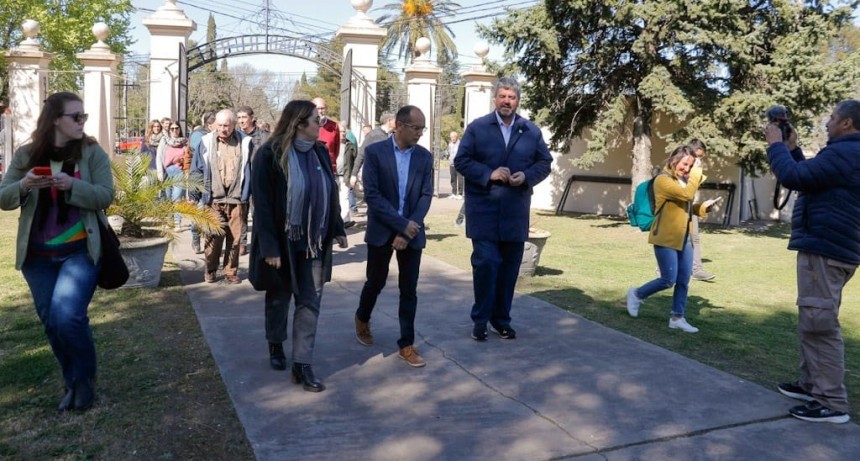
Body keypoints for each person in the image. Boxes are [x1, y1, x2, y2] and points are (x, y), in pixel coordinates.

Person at [0, 92, 114, 411]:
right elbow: (3, 197)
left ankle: (85, 382)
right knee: (51, 321)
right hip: (37, 258)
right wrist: (23, 185)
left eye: (83, 116)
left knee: (69, 317)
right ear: (55, 120)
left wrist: (72, 186)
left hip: (79, 251)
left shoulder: (91, 153)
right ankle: (72, 380)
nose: (81, 122)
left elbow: (106, 195)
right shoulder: (27, 154)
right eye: (75, 116)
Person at [766, 100, 860, 424]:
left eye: (832, 118)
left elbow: (792, 177)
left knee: (819, 323)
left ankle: (831, 402)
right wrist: (792, 149)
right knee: (812, 317)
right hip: (829, 246)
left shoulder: (847, 153)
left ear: (847, 123)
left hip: (826, 248)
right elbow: (808, 176)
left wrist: (775, 145)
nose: (827, 122)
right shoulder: (846, 153)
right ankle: (811, 385)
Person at [249, 99, 347, 392]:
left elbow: (329, 193)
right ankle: (276, 344)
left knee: (310, 301)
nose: (321, 123)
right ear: (299, 124)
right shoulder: (269, 154)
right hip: (282, 242)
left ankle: (302, 365)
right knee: (279, 297)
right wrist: (269, 247)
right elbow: (263, 204)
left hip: (315, 241)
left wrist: (338, 228)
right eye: (316, 120)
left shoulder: (318, 151)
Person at [454, 77, 553, 341]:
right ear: (495, 99)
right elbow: (461, 161)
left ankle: (501, 320)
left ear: (518, 100)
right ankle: (480, 319)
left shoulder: (530, 131)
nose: (507, 101)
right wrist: (489, 173)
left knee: (509, 268)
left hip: (515, 211)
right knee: (487, 263)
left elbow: (545, 162)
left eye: (511, 97)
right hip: (484, 209)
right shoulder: (478, 128)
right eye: (502, 96)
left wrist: (527, 176)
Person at [354, 105, 434, 367]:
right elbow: (373, 195)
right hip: (382, 231)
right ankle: (362, 318)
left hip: (411, 232)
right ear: (399, 125)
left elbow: (425, 195)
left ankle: (407, 344)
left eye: (423, 128)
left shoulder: (424, 157)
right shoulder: (375, 152)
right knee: (375, 282)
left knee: (408, 290)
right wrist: (400, 225)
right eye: (416, 128)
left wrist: (409, 228)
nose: (420, 133)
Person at [626, 146, 719, 333]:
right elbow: (686, 195)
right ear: (673, 160)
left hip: (684, 237)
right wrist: (697, 172)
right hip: (665, 237)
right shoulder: (662, 180)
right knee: (668, 279)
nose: (687, 169)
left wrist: (703, 208)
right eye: (685, 164)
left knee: (684, 280)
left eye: (690, 166)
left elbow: (686, 207)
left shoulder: (683, 182)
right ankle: (636, 294)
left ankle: (677, 317)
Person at [192, 109, 252, 284]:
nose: (223, 129)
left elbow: (251, 170)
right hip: (213, 199)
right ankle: (210, 269)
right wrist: (194, 195)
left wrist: (251, 194)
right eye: (220, 125)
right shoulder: (205, 142)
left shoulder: (245, 143)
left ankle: (230, 271)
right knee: (213, 237)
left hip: (236, 199)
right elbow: (196, 170)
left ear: (234, 125)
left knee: (234, 239)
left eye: (226, 125)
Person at [236, 106, 271, 256]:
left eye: (244, 117)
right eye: (239, 118)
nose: (241, 121)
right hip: (242, 179)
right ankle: (242, 242)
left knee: (259, 213)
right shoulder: (236, 136)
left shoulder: (265, 137)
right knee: (240, 212)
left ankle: (259, 241)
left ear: (252, 118)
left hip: (260, 179)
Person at [188, 111, 216, 254]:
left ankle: (209, 244)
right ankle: (195, 237)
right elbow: (197, 164)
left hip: (213, 184)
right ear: (210, 125)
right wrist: (193, 193)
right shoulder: (199, 136)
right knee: (197, 215)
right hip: (199, 181)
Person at [688, 139, 716, 281]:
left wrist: (703, 207)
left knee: (695, 238)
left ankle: (697, 270)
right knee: (674, 239)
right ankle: (662, 268)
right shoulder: (683, 167)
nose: (699, 160)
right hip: (677, 210)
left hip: (689, 207)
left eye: (701, 157)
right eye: (697, 156)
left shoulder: (694, 169)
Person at [350, 112, 395, 190]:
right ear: (389, 121)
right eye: (396, 120)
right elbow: (361, 154)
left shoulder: (393, 136)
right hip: (376, 178)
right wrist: (354, 175)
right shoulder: (374, 135)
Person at [156, 122, 188, 227]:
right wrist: (160, 172)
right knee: (168, 197)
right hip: (167, 171)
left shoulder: (184, 142)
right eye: (172, 128)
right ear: (169, 130)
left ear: (180, 129)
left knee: (177, 197)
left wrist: (183, 161)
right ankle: (169, 220)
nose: (174, 130)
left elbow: (189, 157)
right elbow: (159, 157)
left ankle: (177, 222)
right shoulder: (164, 141)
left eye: (176, 128)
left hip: (179, 171)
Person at [337, 122, 357, 228]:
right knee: (333, 199)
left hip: (346, 176)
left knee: (345, 198)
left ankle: (345, 221)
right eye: (340, 131)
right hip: (333, 175)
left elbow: (356, 159)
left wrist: (354, 175)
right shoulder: (332, 144)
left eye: (344, 131)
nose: (343, 134)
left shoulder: (350, 145)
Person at [312, 97, 340, 173]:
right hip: (313, 166)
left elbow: (336, 150)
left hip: (329, 166)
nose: (320, 111)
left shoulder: (334, 126)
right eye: (318, 109)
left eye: (322, 108)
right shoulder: (308, 126)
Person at [447, 131, 463, 199]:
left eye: (454, 137)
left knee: (460, 179)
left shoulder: (460, 144)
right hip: (452, 164)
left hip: (459, 164)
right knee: (453, 179)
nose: (453, 138)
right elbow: (449, 153)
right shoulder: (450, 144)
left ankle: (460, 194)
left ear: (456, 137)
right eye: (451, 137)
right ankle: (453, 193)